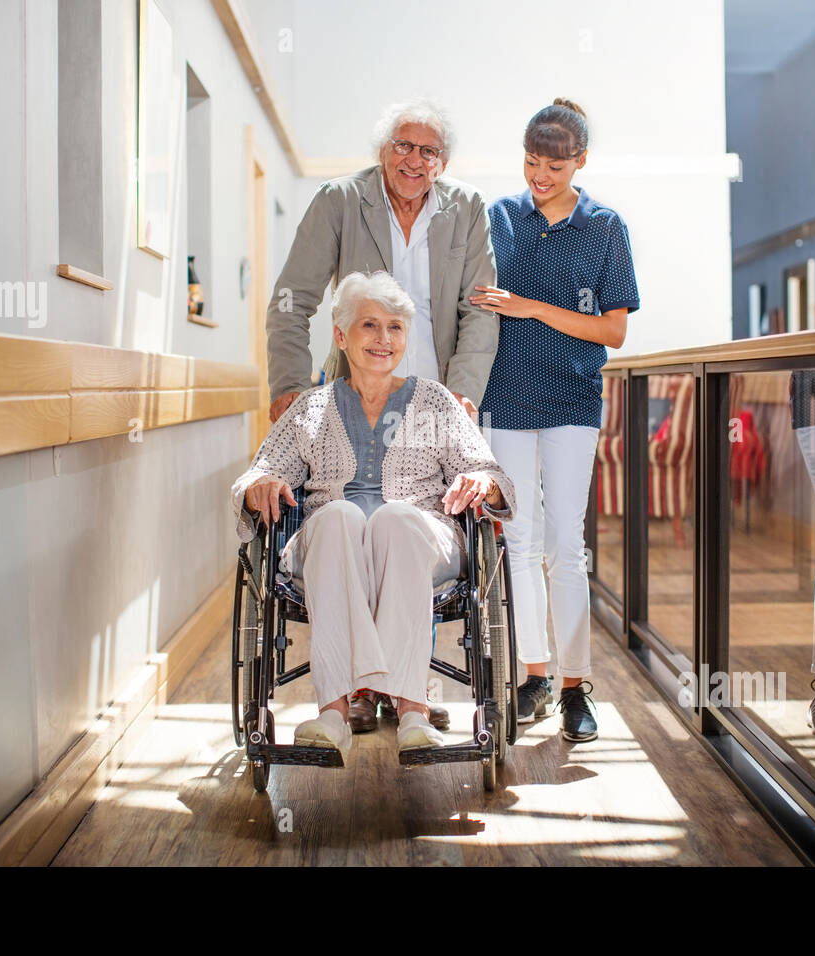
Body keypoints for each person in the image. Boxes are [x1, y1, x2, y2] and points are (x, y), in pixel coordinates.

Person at [265, 98, 500, 734]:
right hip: (357, 385)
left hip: (433, 401)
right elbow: (291, 300)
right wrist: (289, 388)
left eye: (428, 151)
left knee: (406, 513)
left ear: (442, 161)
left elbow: (481, 311)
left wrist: (463, 395)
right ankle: (381, 692)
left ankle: (390, 692)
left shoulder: (466, 210)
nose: (414, 160)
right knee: (352, 507)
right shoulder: (340, 202)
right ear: (382, 151)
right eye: (403, 146)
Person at [233, 272, 516, 758]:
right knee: (341, 515)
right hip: (330, 546)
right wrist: (261, 485)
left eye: (395, 328)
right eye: (369, 325)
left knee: (395, 519)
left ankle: (411, 712)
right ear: (341, 336)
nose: (384, 339)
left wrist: (483, 482)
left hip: (421, 542)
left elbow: (491, 473)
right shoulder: (311, 408)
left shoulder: (435, 401)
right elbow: (259, 472)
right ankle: (334, 714)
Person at [470, 99, 640, 743]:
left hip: (572, 399)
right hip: (505, 397)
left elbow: (614, 330)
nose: (540, 176)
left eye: (555, 166)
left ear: (581, 162)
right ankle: (534, 675)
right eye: (532, 163)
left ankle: (576, 686)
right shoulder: (500, 218)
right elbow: (480, 302)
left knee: (568, 546)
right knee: (519, 542)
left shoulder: (605, 227)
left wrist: (533, 309)